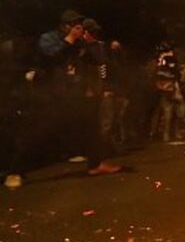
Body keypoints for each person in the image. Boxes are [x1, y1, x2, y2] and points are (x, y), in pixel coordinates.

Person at [4, 10, 121, 189]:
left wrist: (90, 43)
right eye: (74, 25)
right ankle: (15, 172)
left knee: (91, 126)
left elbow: (98, 60)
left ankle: (95, 165)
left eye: (79, 26)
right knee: (36, 132)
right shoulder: (49, 38)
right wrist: (70, 40)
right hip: (50, 94)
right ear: (65, 26)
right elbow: (51, 59)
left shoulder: (81, 42)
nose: (78, 29)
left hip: (72, 93)